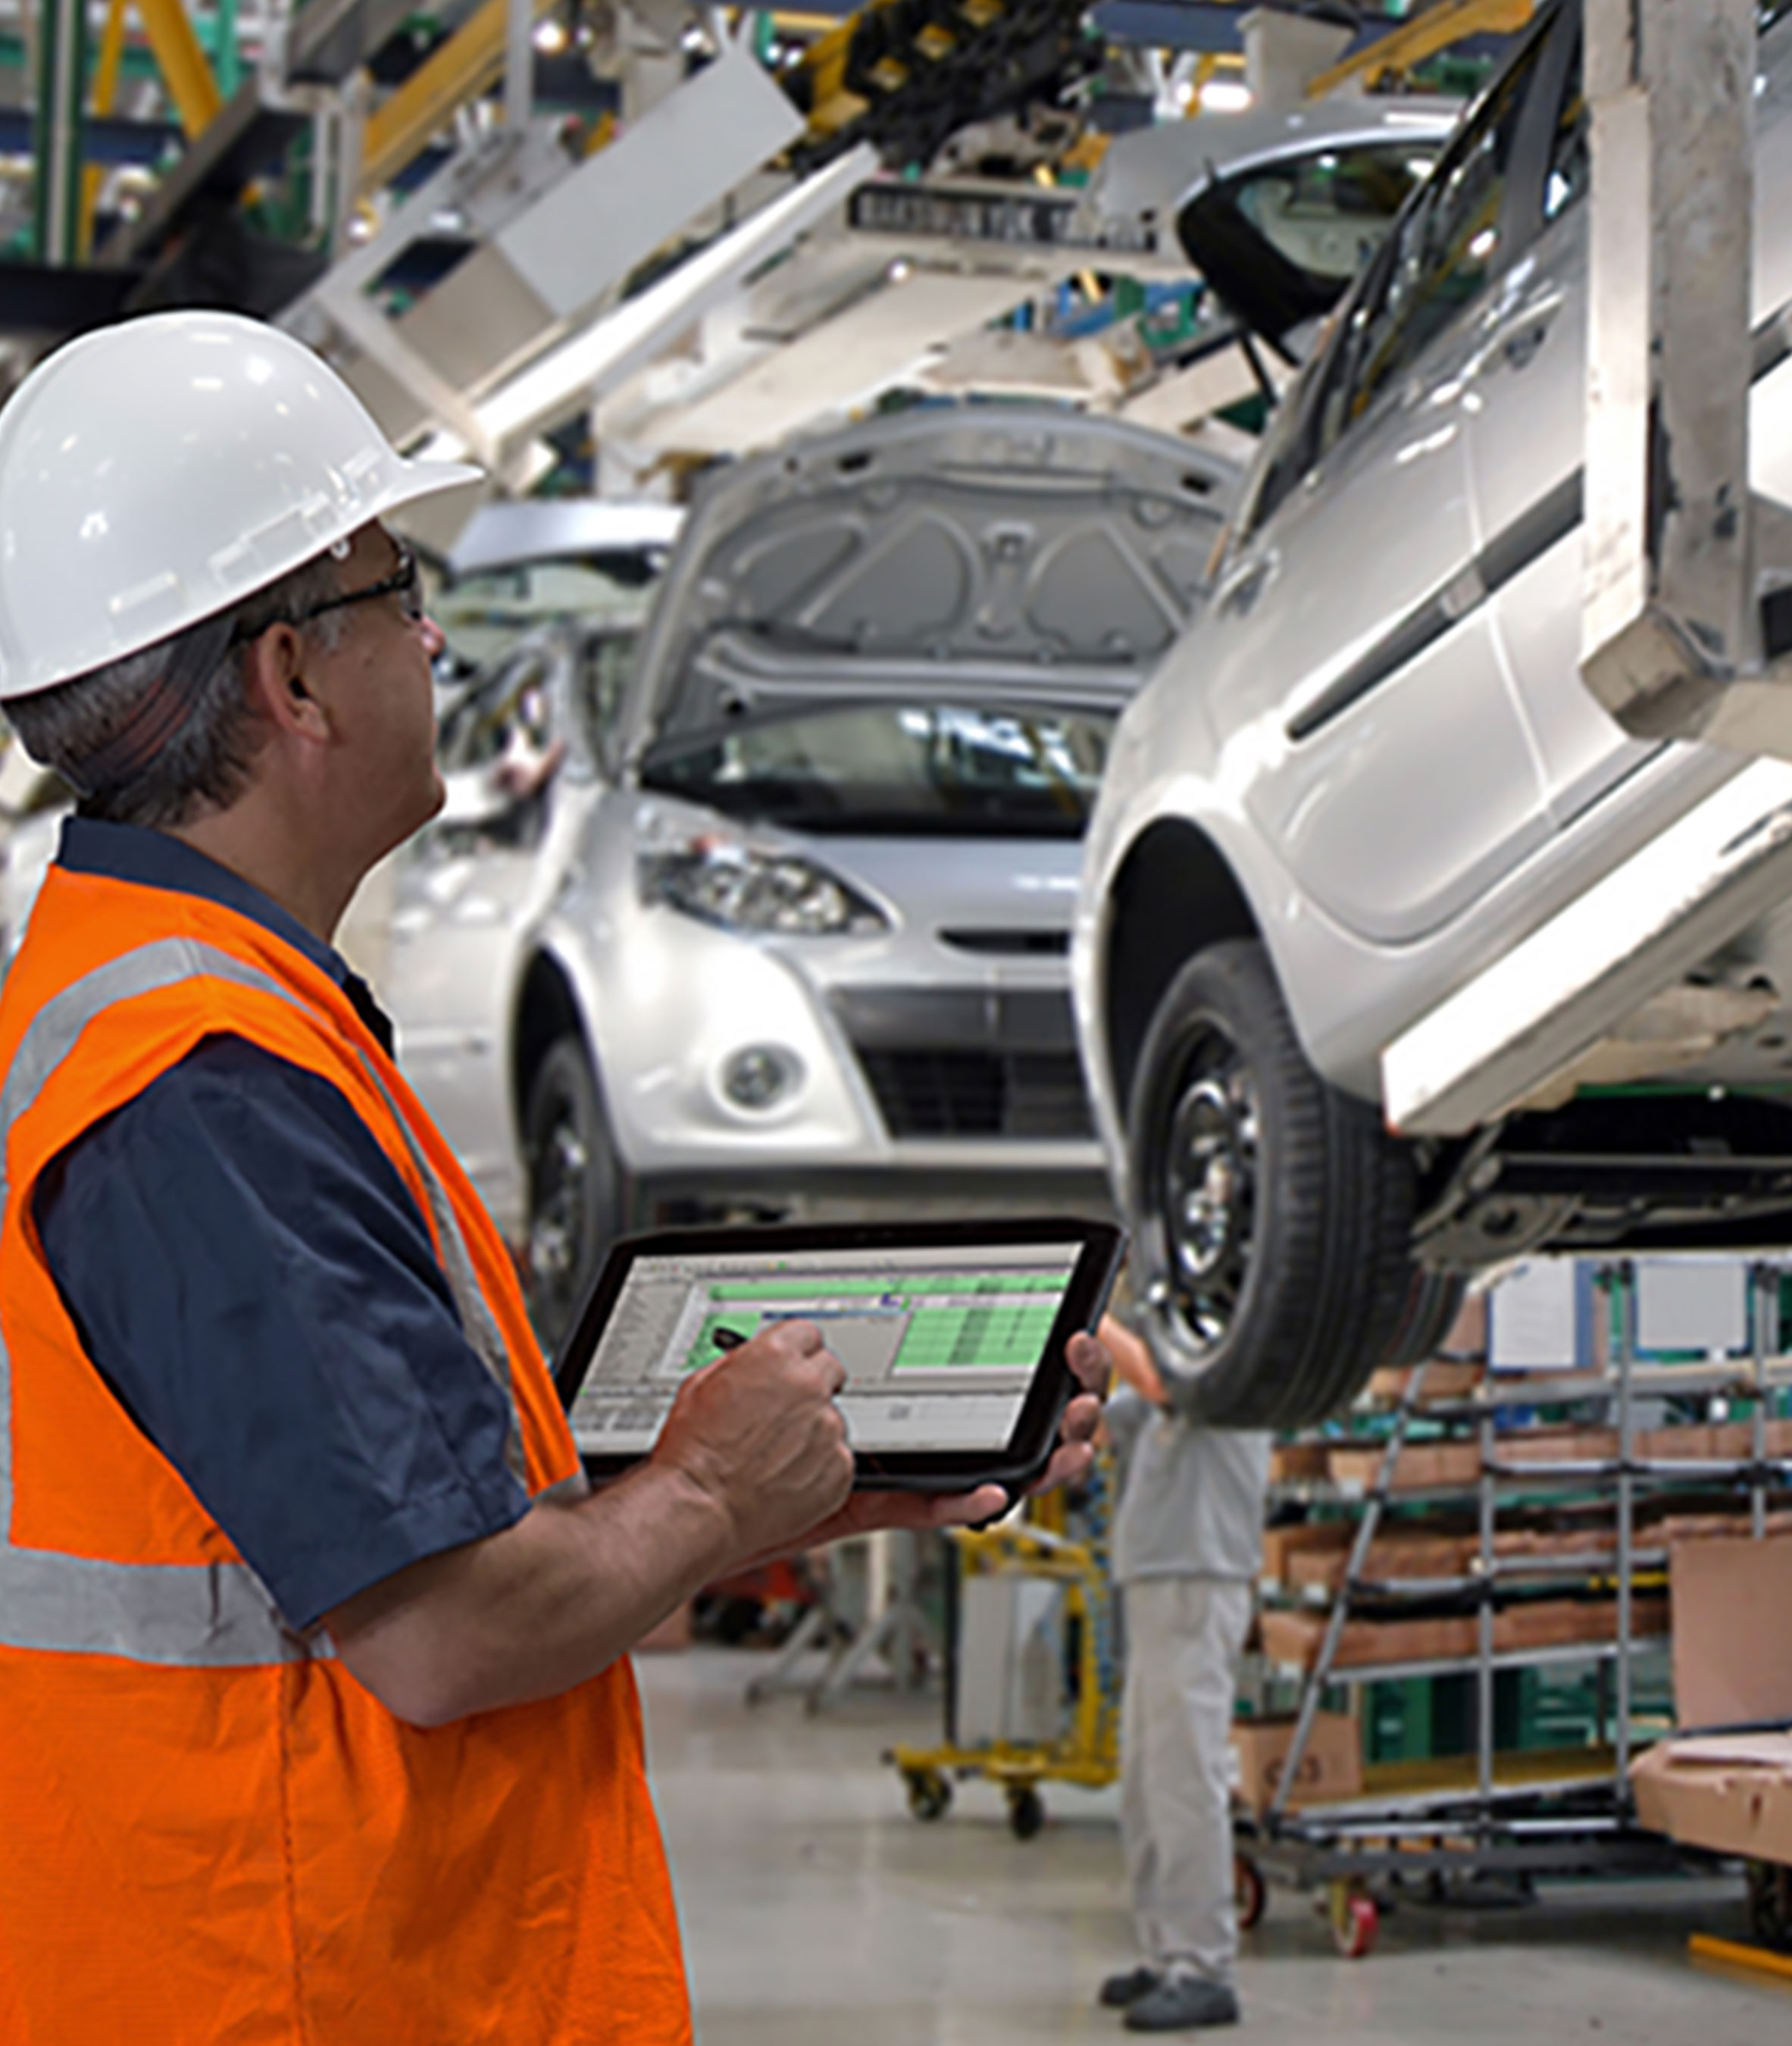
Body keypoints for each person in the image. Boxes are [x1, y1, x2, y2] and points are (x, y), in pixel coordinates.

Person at [0, 308, 1106, 2044]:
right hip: (301, 1984)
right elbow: (441, 1630)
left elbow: (425, 1532)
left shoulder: (202, 1013)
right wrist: (709, 1498)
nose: (434, 636)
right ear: (292, 677)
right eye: (395, 585)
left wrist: (823, 1477)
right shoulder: (201, 1078)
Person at [1097, 1317, 1271, 2032]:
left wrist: (1095, 1307)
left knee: (1184, 1779)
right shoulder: (1186, 1360)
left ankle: (1204, 1967)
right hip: (1155, 1579)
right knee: (1145, 1783)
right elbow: (1120, 1418)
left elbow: (1158, 1384)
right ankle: (1165, 1951)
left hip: (1196, 1580)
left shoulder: (1233, 1360)